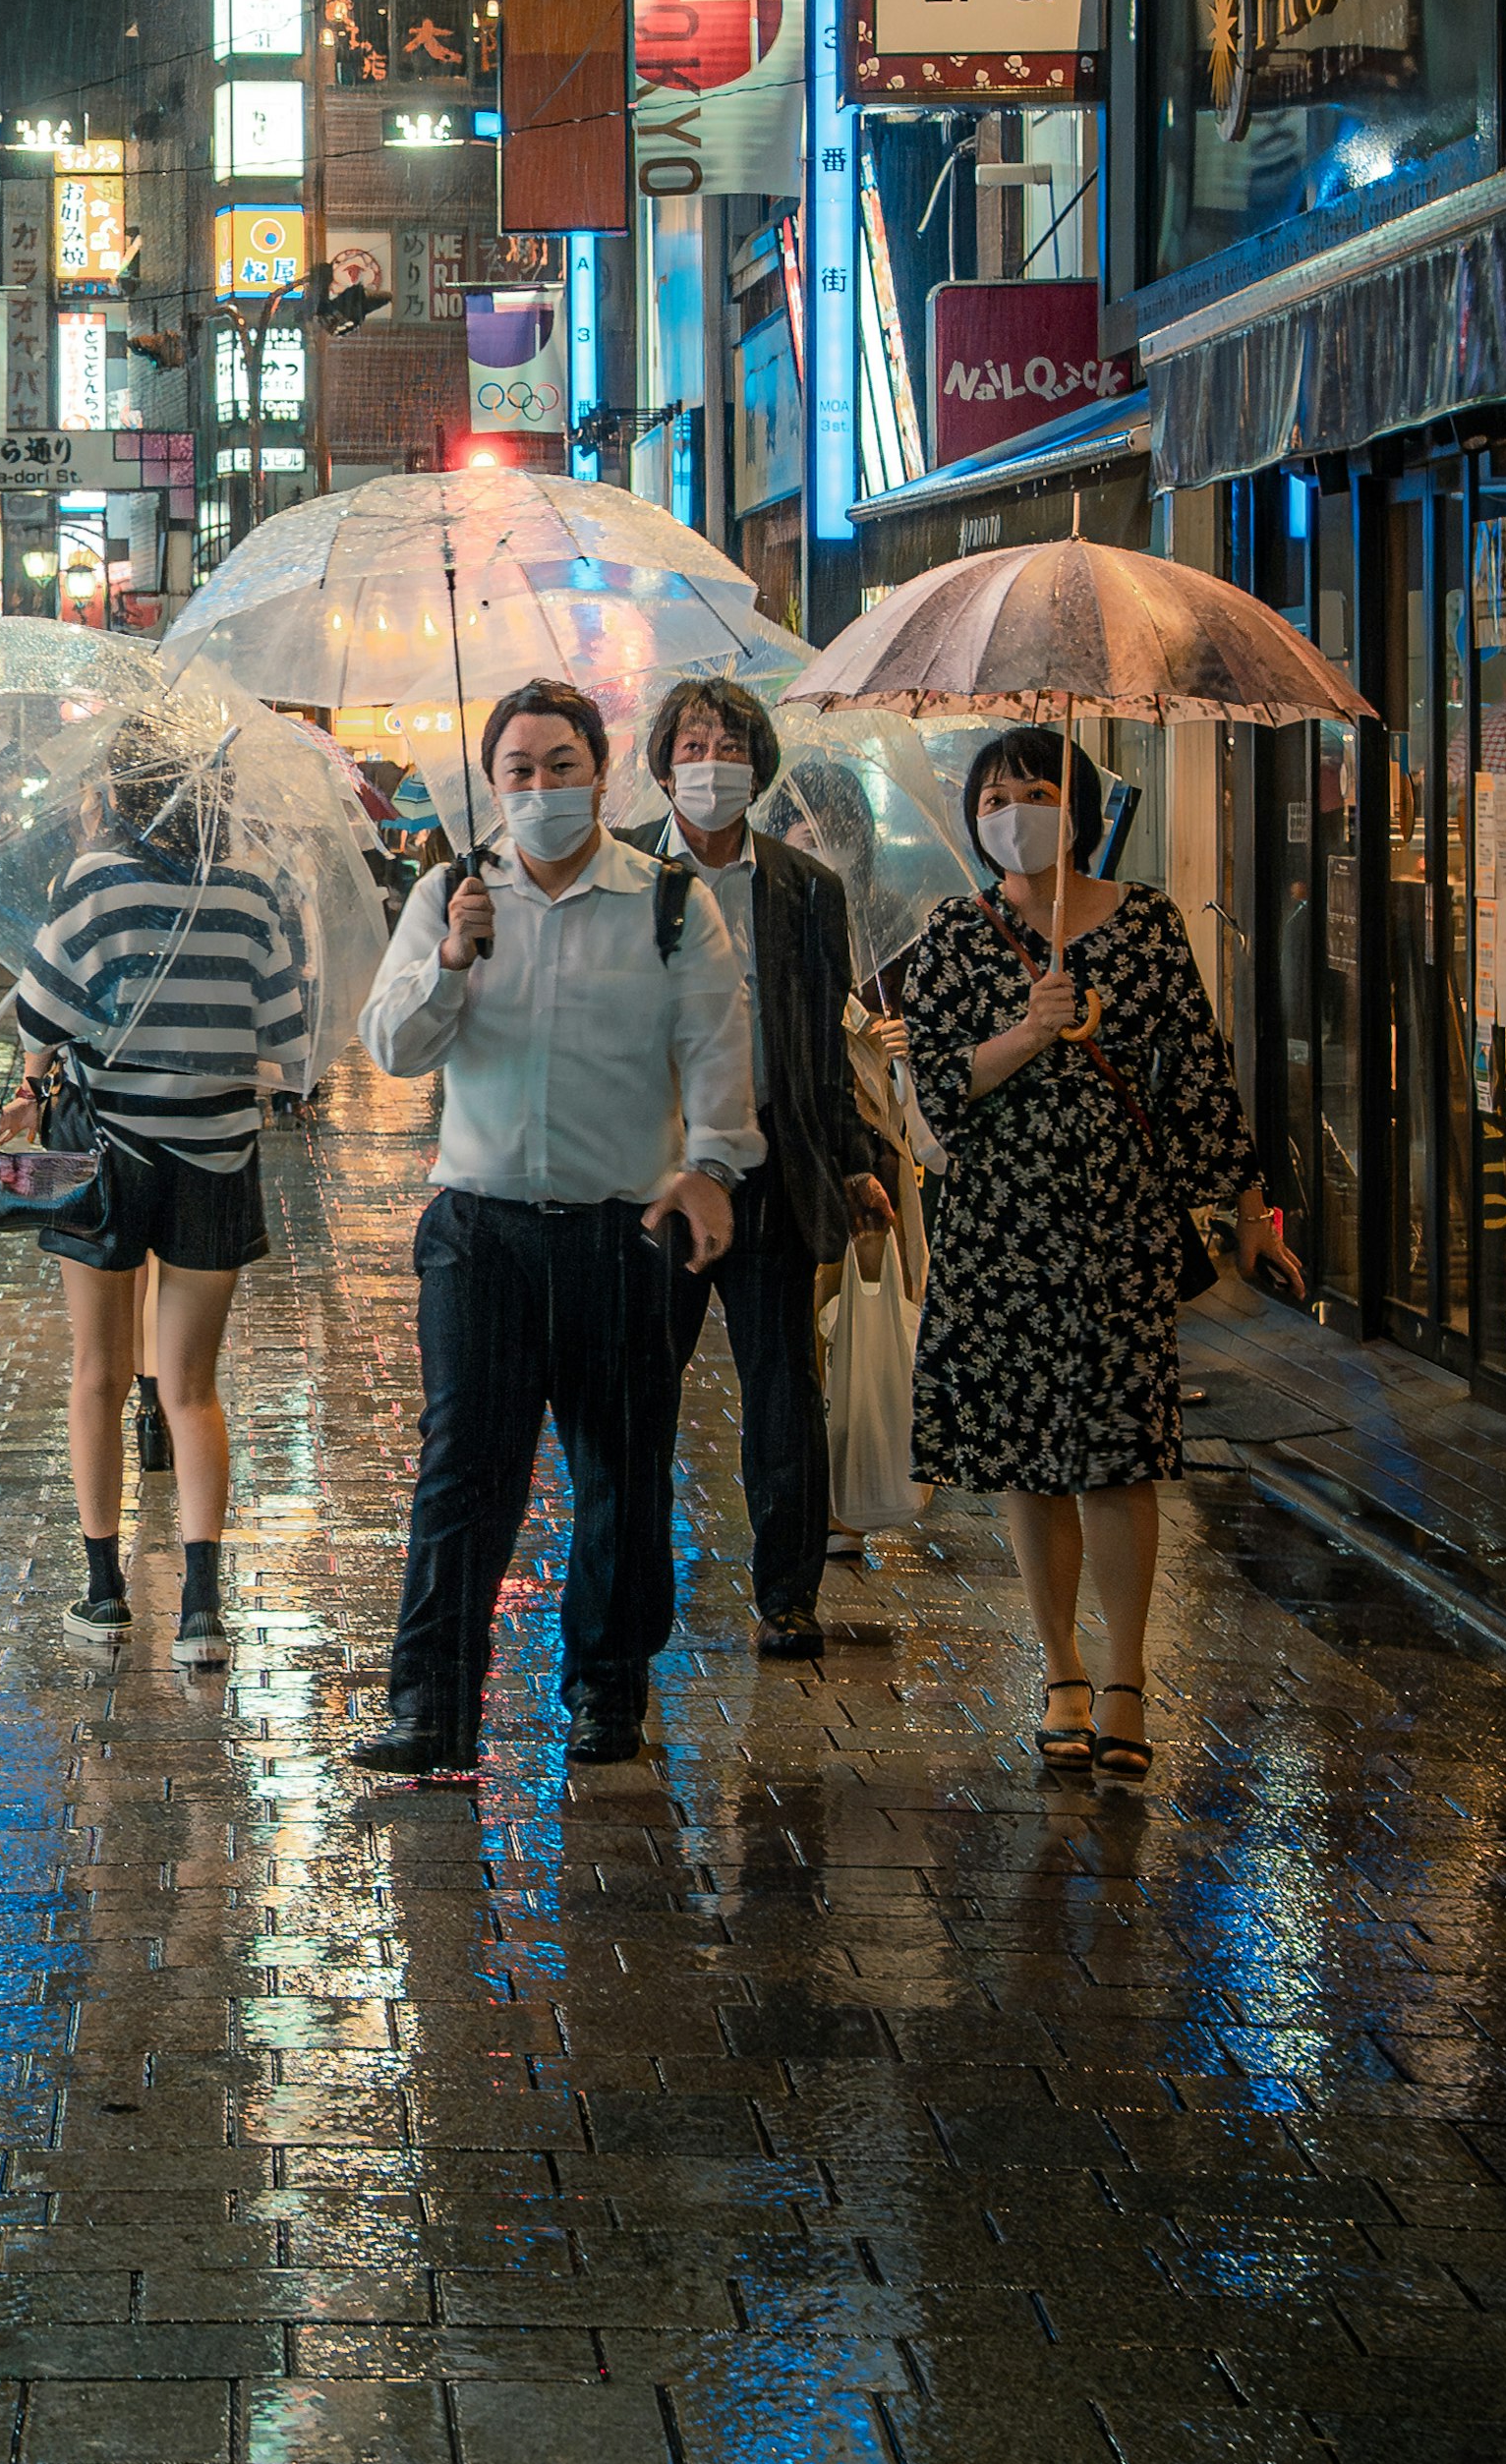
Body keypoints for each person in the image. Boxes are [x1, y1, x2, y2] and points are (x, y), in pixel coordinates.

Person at [352, 681, 759, 1781]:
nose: (540, 787)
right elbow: (390, 1046)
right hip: (478, 1234)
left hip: (622, 1236)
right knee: (462, 1476)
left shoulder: (670, 903)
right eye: (519, 771)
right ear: (494, 786)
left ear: (602, 771)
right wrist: (449, 963)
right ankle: (432, 1706)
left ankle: (606, 1693)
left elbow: (719, 1053)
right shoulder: (450, 892)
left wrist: (714, 1166)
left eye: (560, 765)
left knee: (623, 1470)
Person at [898, 720, 1297, 1783]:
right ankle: (1061, 1667)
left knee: (1119, 1453)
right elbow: (934, 1088)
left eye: (1033, 790)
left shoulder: (1150, 924)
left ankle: (1126, 1675)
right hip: (998, 1227)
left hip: (1114, 1222)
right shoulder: (952, 934)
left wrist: (1251, 1207)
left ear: (1077, 809)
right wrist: (1028, 1033)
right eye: (991, 798)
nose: (1011, 812)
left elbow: (1203, 1073)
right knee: (1031, 1457)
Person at [1, 699, 311, 1668]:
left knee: (97, 1374)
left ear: (120, 791)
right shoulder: (253, 899)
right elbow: (290, 1051)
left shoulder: (92, 886)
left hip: (102, 1160)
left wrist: (37, 1079)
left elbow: (41, 1019)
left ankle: (103, 1596)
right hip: (216, 1164)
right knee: (190, 1388)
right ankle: (203, 1614)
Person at [641, 674, 898, 1662]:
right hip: (657, 1178)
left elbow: (822, 1049)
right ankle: (635, 1583)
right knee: (639, 1390)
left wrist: (855, 1159)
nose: (712, 764)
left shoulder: (804, 890)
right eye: (694, 745)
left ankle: (787, 1592)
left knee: (785, 1388)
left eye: (731, 746)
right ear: (662, 766)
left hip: (773, 1167)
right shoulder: (623, 875)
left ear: (761, 767)